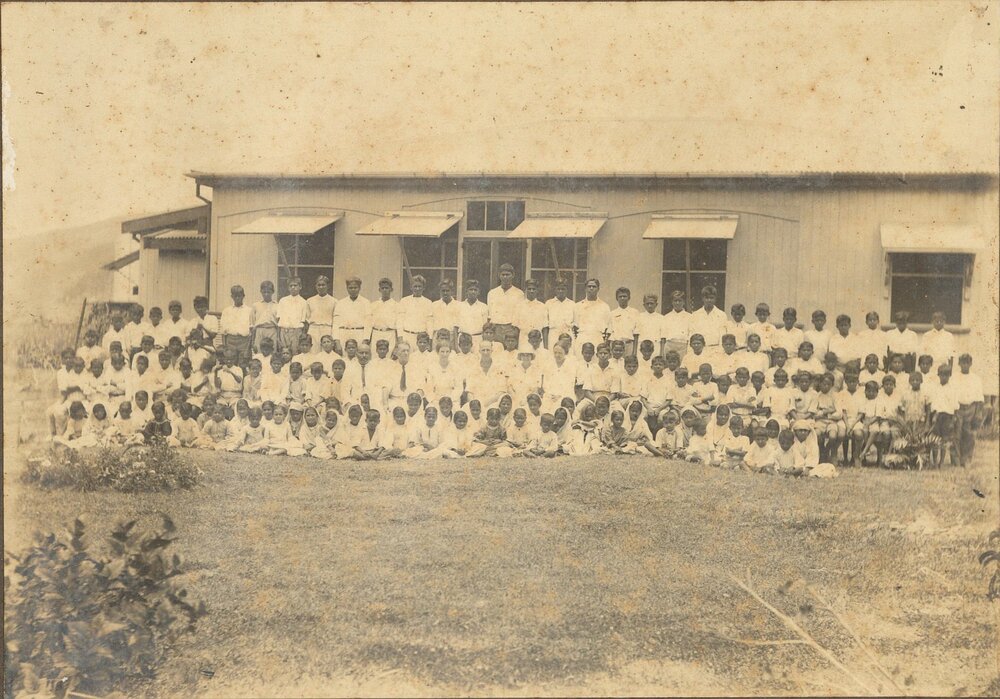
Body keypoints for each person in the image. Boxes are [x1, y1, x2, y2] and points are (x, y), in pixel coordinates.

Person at [952, 353, 984, 466]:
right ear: (959, 364)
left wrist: (978, 413)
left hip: (971, 408)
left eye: (967, 363)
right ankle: (955, 458)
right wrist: (953, 410)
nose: (965, 365)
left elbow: (980, 398)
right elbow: (951, 394)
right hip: (958, 407)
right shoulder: (954, 377)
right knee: (956, 434)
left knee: (969, 434)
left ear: (970, 364)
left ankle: (966, 459)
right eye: (962, 362)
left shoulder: (975, 379)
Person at [574, 279, 611, 355]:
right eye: (589, 286)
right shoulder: (578, 306)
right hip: (582, 338)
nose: (591, 288)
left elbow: (608, 328)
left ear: (598, 289)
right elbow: (575, 326)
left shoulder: (604, 306)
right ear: (585, 289)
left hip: (597, 338)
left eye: (594, 286)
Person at [219, 285, 254, 366]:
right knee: (231, 365)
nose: (237, 298)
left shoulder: (249, 311)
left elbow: (251, 331)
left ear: (243, 296)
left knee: (243, 365)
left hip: (244, 342)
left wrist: (248, 348)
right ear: (232, 296)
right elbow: (223, 332)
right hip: (230, 341)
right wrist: (225, 347)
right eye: (235, 296)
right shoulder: (226, 311)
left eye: (239, 296)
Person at [334, 276, 371, 349]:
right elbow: (336, 323)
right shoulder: (340, 303)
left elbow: (368, 323)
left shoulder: (366, 302)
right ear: (347, 288)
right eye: (350, 288)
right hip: (343, 334)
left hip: (359, 334)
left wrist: (365, 340)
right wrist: (337, 341)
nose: (353, 290)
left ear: (359, 288)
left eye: (355, 287)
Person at [276, 277, 310, 354]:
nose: (293, 288)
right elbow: (278, 320)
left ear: (300, 287)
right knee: (284, 354)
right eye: (291, 286)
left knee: (295, 353)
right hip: (283, 331)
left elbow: (305, 322)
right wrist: (278, 337)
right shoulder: (283, 301)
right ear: (288, 287)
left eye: (295, 285)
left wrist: (302, 336)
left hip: (296, 332)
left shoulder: (303, 302)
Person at [398, 275, 434, 345]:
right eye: (415, 286)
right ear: (411, 287)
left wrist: (430, 338)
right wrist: (400, 337)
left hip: (421, 338)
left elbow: (429, 322)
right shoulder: (404, 301)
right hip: (407, 335)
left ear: (423, 288)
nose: (417, 289)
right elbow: (400, 320)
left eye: (419, 286)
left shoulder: (428, 302)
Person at [305, 275, 336, 349]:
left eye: (323, 285)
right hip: (313, 329)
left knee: (326, 352)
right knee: (313, 351)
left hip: (327, 329)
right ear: (316, 286)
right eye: (319, 285)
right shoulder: (310, 301)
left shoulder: (334, 301)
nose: (321, 287)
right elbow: (307, 318)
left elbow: (335, 320)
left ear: (328, 286)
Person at [544, 278, 576, 348]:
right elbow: (545, 325)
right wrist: (545, 345)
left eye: (563, 289)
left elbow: (576, 325)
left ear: (567, 290)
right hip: (553, 335)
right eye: (558, 289)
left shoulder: (572, 304)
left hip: (568, 335)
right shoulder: (549, 303)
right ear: (555, 290)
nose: (561, 291)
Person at [429, 279, 461, 348]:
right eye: (443, 291)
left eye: (447, 291)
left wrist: (456, 344)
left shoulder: (458, 305)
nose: (445, 293)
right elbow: (431, 325)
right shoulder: (434, 305)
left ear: (452, 291)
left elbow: (458, 325)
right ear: (440, 291)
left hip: (451, 337)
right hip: (437, 336)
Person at [608, 287, 640, 356]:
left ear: (629, 298)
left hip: (628, 345)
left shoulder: (635, 312)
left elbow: (636, 334)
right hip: (615, 346)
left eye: (624, 296)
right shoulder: (612, 313)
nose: (622, 298)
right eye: (620, 296)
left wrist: (634, 352)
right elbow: (609, 332)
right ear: (617, 298)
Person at [519, 279, 548, 348]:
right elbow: (516, 328)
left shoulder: (542, 306)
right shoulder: (519, 306)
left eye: (534, 289)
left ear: (537, 290)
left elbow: (545, 328)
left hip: (538, 340)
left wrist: (546, 347)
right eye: (529, 289)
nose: (531, 291)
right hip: (524, 339)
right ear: (526, 290)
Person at [252, 280, 279, 353]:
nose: (266, 294)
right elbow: (252, 324)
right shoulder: (256, 305)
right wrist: (253, 340)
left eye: (268, 292)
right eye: (264, 292)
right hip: (259, 330)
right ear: (261, 291)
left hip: (272, 330)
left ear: (273, 292)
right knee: (259, 352)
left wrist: (278, 338)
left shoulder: (277, 305)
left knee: (272, 352)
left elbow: (279, 323)